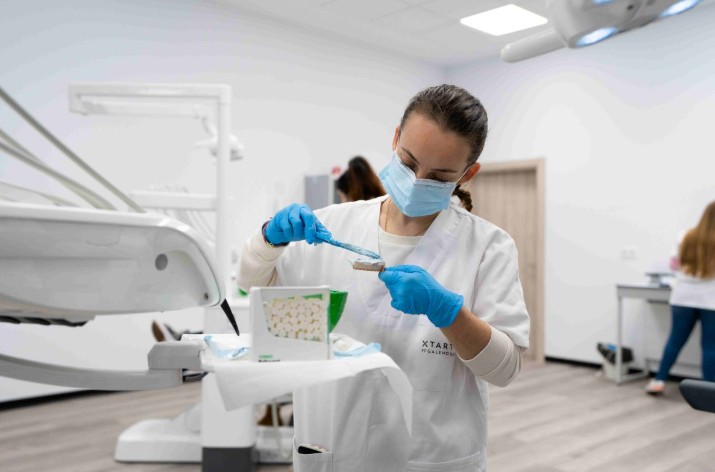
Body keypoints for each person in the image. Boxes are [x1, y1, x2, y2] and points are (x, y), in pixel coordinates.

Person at [238, 84, 530, 471]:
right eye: (408, 163)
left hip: (432, 457)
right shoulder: (332, 225)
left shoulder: (488, 247)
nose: (417, 180)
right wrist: (268, 239)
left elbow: (504, 369)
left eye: (438, 176)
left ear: (467, 173)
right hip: (332, 448)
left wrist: (449, 313)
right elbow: (252, 286)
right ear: (395, 139)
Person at [646, 201, 715, 395]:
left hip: (683, 296)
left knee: (675, 341)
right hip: (711, 299)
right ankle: (709, 391)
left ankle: (659, 380)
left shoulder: (685, 236)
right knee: (710, 347)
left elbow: (674, 265)